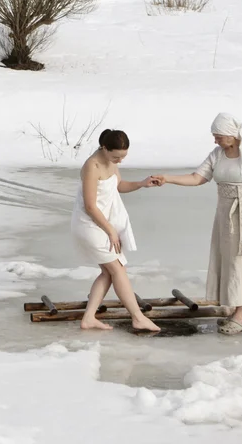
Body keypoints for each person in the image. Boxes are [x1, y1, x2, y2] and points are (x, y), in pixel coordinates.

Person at [150, 113, 242, 335]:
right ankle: (237, 307)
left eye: (219, 136)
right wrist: (168, 178)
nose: (215, 140)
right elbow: (197, 177)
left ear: (232, 135)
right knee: (229, 259)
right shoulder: (217, 154)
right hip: (225, 214)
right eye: (215, 136)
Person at [71, 129, 163, 332]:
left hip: (104, 224)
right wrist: (111, 230)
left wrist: (142, 184)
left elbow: (118, 186)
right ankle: (138, 317)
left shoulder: (111, 162)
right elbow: (90, 206)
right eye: (116, 156)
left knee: (109, 271)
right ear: (104, 148)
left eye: (123, 157)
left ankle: (88, 318)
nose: (119, 161)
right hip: (90, 224)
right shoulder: (91, 166)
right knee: (117, 269)